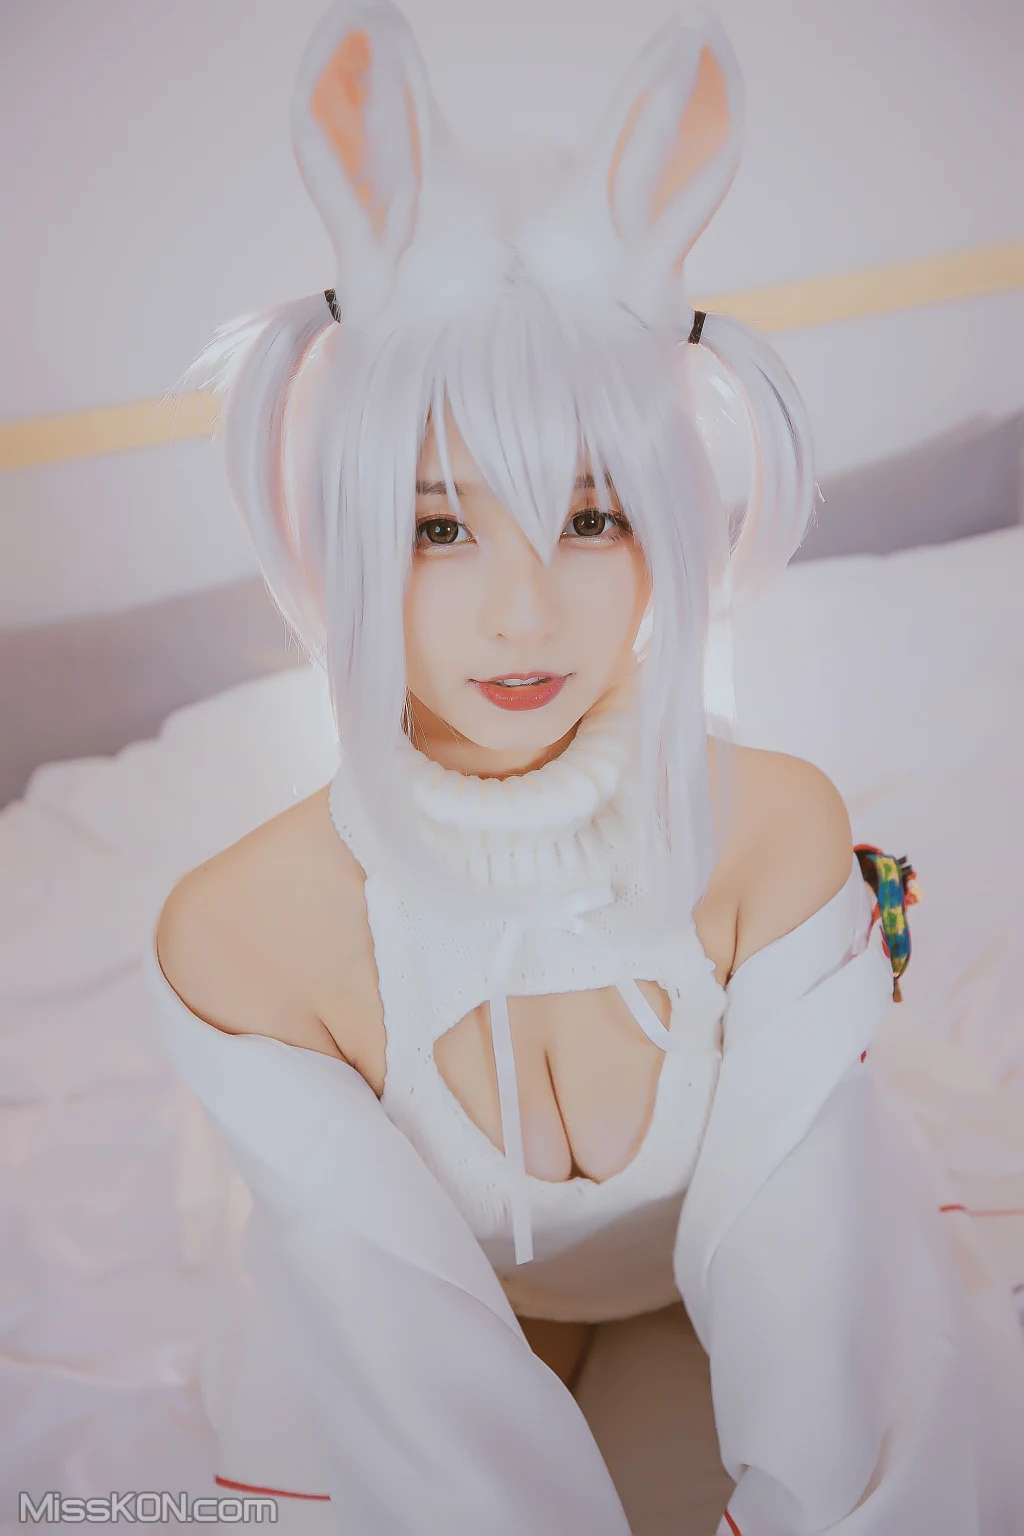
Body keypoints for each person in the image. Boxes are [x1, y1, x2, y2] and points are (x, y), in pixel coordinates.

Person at [143, 1, 1024, 1530]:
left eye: (593, 516)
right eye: (438, 527)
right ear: (341, 535)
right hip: (437, 1337)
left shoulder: (776, 831)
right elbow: (415, 1390)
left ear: (668, 529)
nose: (524, 613)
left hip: (732, 1296)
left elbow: (818, 1305)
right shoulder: (240, 936)